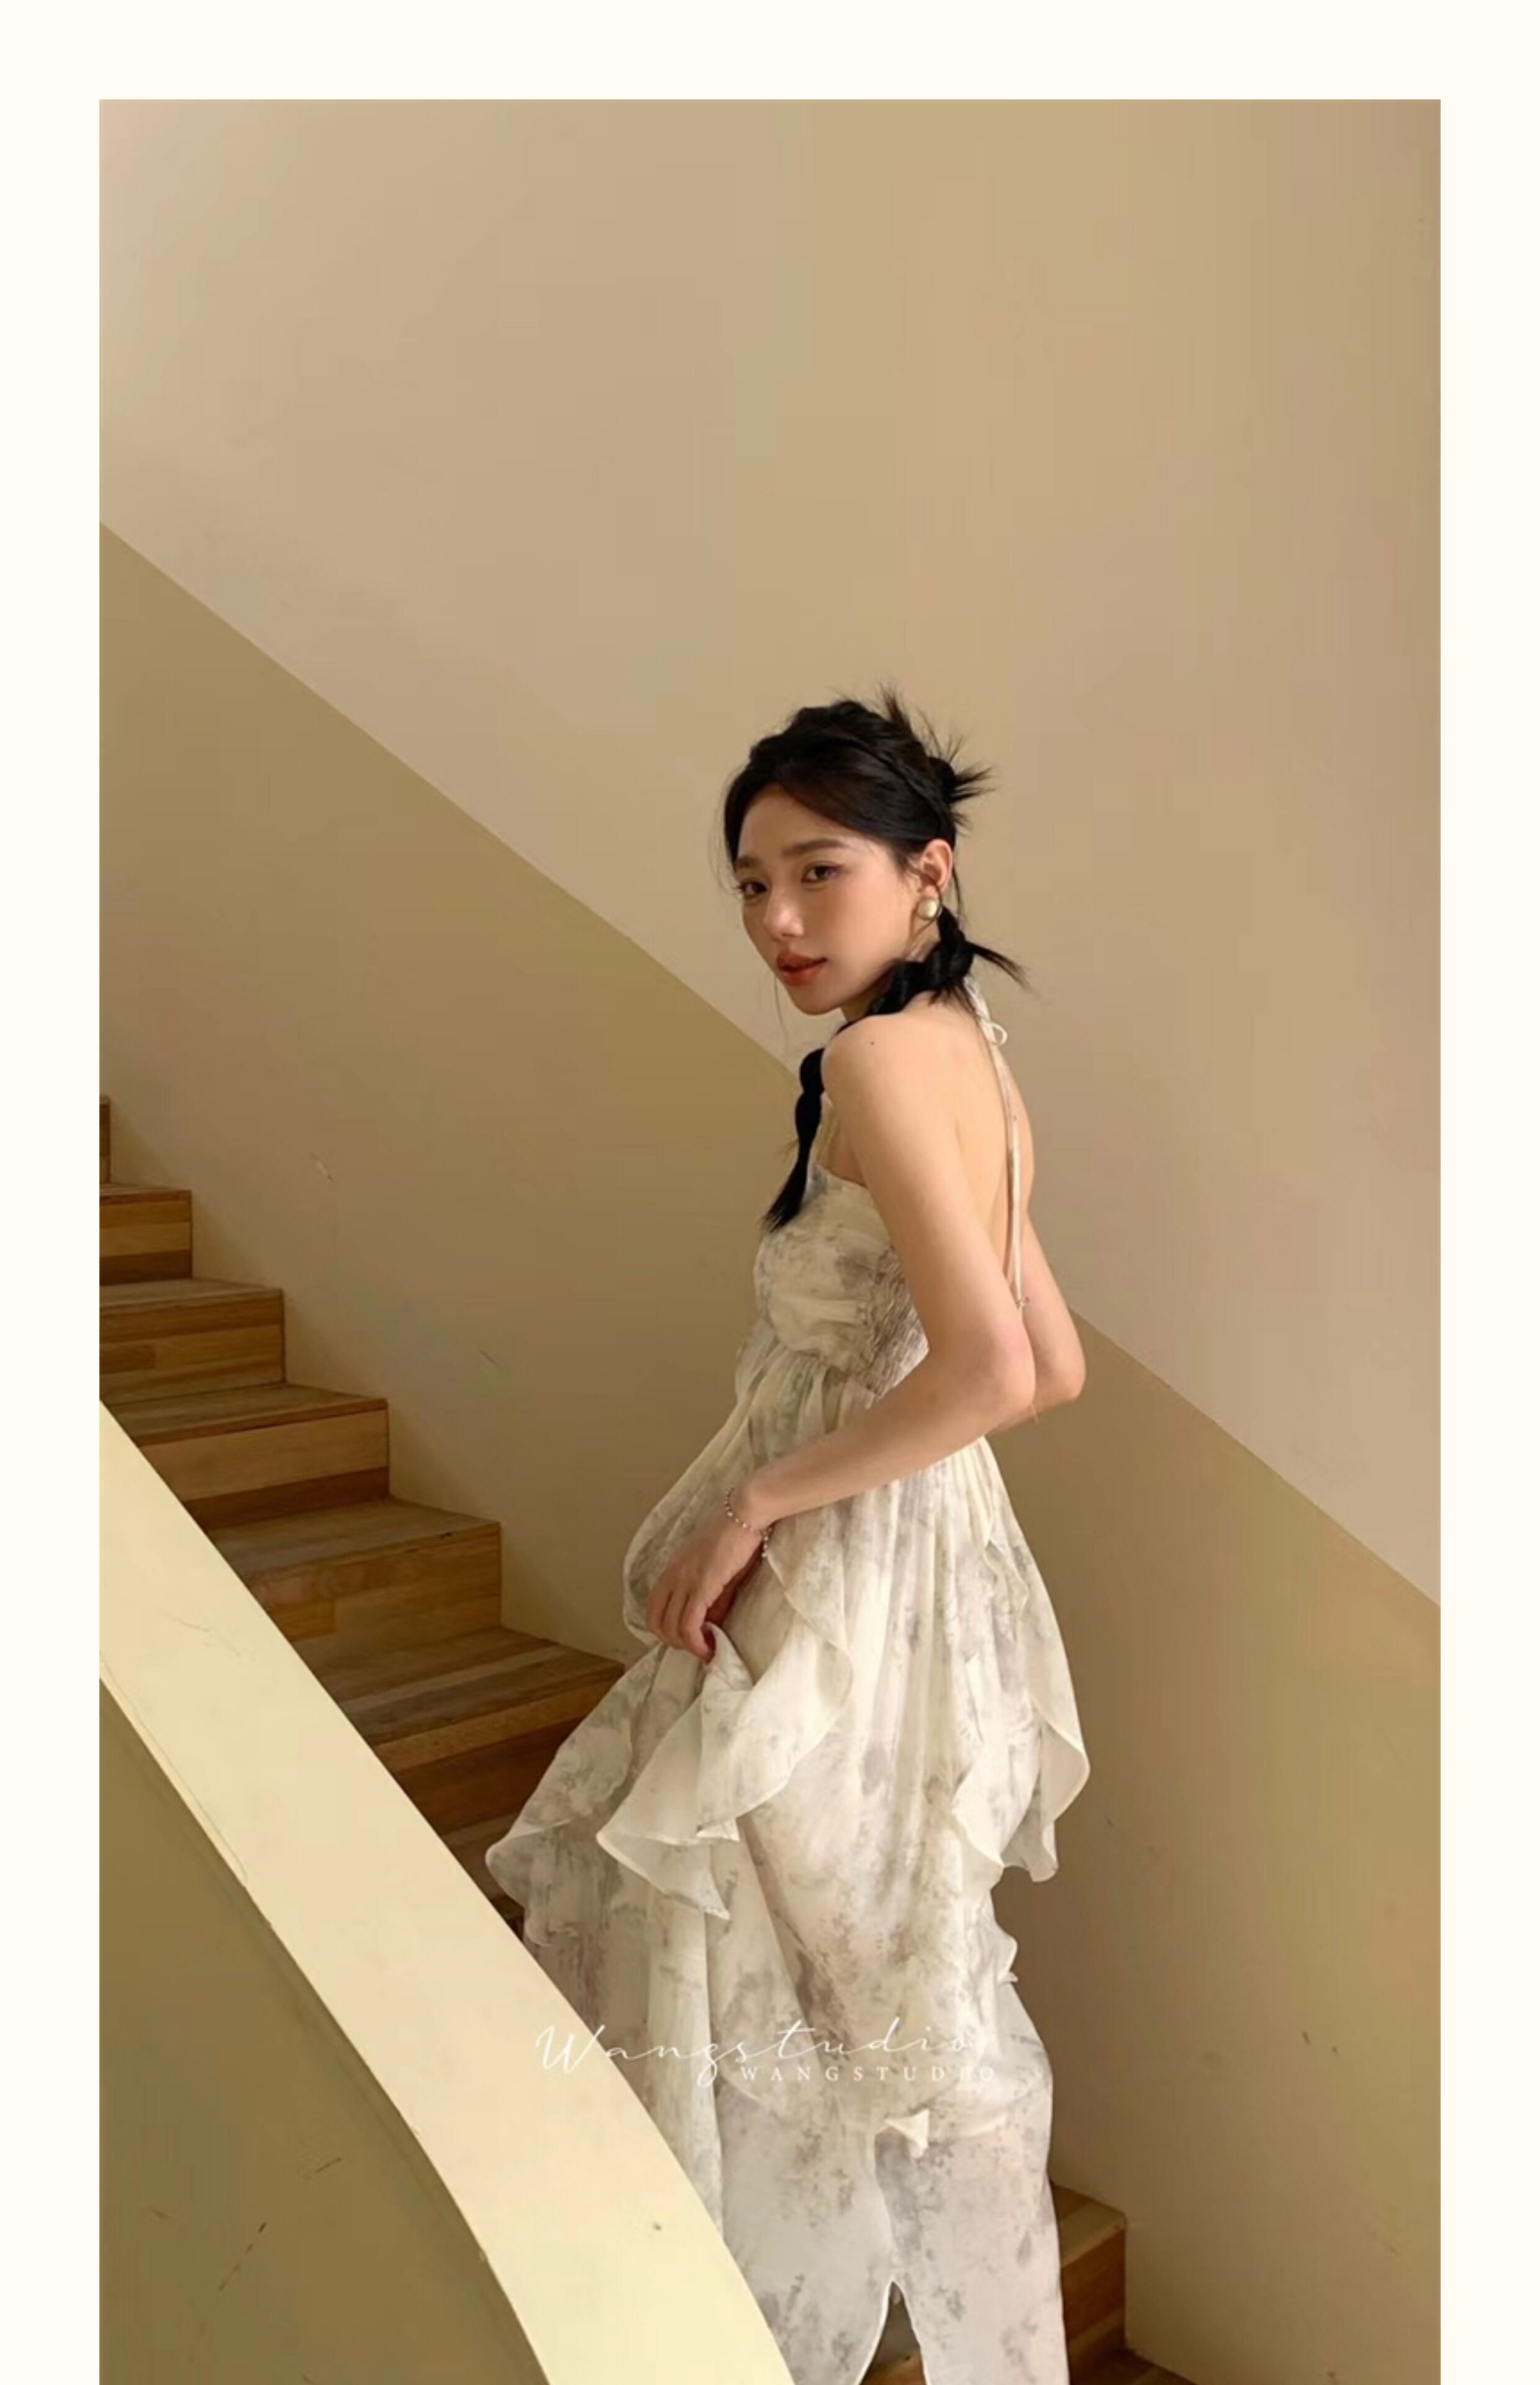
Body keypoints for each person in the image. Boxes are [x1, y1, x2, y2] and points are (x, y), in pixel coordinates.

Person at [487, 686, 1092, 2385]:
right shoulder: (972, 1057)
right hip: (923, 1569)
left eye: (820, 872)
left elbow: (997, 1369)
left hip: (836, 1570)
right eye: (753, 884)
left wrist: (761, 1497)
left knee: (756, 1973)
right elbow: (1049, 1367)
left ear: (927, 873)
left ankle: (718, 2342)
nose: (777, 921)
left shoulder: (880, 1061)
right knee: (872, 1991)